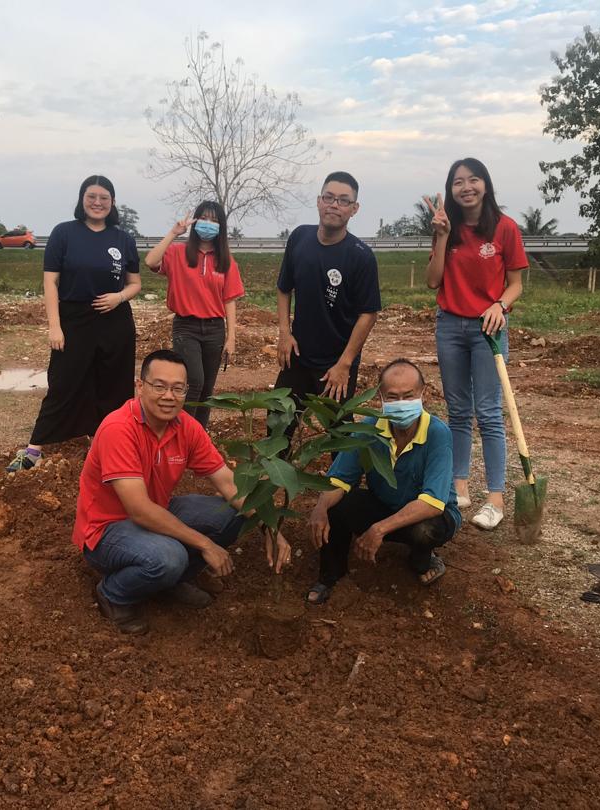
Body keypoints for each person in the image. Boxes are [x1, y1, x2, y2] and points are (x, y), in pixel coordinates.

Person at [73, 349, 291, 635]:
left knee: (232, 515)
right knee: (170, 557)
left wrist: (270, 528)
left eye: (178, 389)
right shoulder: (119, 429)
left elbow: (228, 483)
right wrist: (205, 544)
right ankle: (113, 593)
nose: (169, 396)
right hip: (107, 530)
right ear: (140, 387)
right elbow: (139, 510)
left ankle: (171, 581)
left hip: (157, 511)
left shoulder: (186, 427)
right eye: (159, 386)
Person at [6, 175, 141, 472]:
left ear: (113, 202)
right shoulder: (64, 233)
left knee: (113, 385)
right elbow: (50, 282)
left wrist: (119, 297)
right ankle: (34, 449)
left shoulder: (123, 239)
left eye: (104, 197)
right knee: (64, 382)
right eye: (91, 196)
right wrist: (55, 325)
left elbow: (135, 283)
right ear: (82, 199)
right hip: (74, 320)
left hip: (115, 320)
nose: (97, 202)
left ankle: (107, 444)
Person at [424, 157, 528, 530]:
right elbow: (433, 281)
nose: (466, 187)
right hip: (450, 326)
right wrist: (441, 236)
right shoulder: (446, 228)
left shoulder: (505, 228)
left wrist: (500, 305)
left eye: (473, 179)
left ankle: (495, 499)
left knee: (488, 412)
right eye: (458, 182)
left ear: (485, 184)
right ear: (450, 189)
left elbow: (515, 283)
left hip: (489, 327)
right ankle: (459, 488)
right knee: (457, 411)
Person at [304, 359, 461, 604]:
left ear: (423, 393)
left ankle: (422, 559)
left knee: (425, 531)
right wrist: (321, 508)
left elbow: (432, 502)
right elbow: (339, 479)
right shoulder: (369, 429)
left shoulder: (437, 433)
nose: (401, 404)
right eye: (393, 397)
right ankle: (330, 576)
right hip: (384, 504)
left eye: (408, 396)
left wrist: (378, 529)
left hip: (428, 515)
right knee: (336, 506)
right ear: (380, 397)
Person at [276, 171, 381, 405]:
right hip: (298, 354)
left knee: (336, 425)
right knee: (279, 420)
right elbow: (284, 288)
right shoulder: (299, 238)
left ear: (354, 208)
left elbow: (368, 314)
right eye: (329, 197)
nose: (334, 205)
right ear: (318, 201)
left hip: (337, 360)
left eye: (344, 201)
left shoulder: (361, 257)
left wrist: (345, 364)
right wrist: (284, 333)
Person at [144, 201, 244, 428]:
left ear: (221, 226)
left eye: (214, 220)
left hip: (214, 329)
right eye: (204, 218)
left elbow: (229, 300)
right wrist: (174, 232)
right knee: (194, 382)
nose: (209, 224)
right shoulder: (178, 252)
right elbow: (150, 261)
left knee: (207, 389)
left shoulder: (226, 261)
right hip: (186, 327)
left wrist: (231, 337)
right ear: (196, 221)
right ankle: (182, 432)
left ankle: (199, 436)